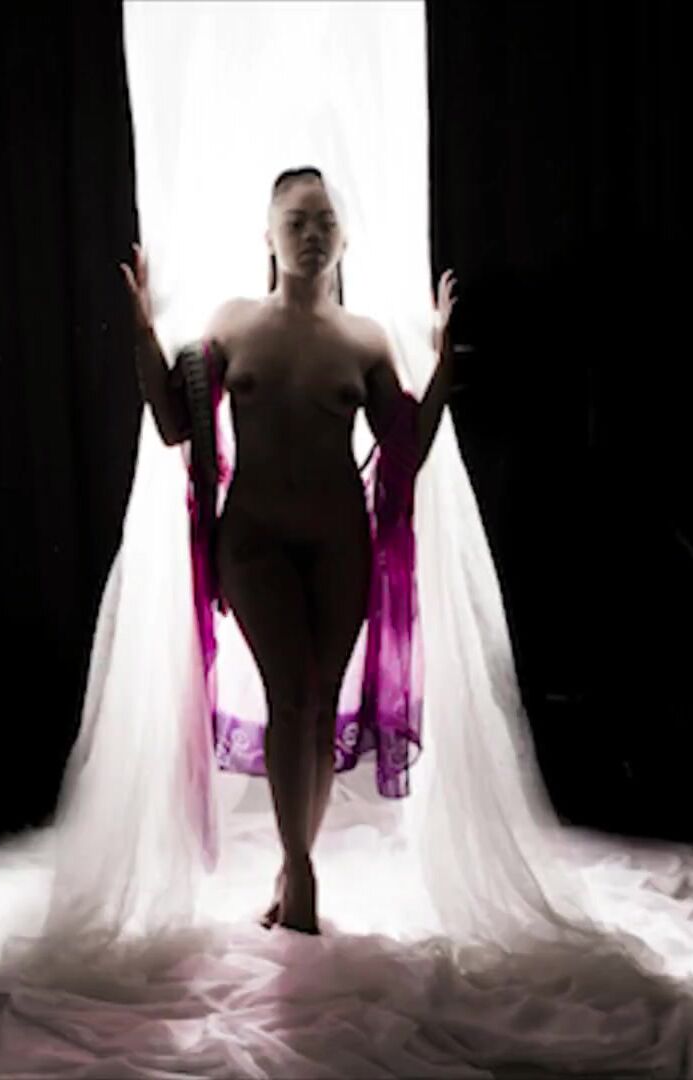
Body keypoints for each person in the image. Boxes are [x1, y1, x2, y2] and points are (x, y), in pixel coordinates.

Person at [120, 166, 458, 935]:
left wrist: (442, 366)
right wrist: (142, 331)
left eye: (325, 222)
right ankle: (300, 870)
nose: (312, 235)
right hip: (255, 540)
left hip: (340, 544)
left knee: (320, 702)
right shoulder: (234, 325)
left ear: (344, 239)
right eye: (297, 222)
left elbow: (404, 448)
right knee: (291, 694)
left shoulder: (364, 338)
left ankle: (293, 864)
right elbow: (174, 424)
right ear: (268, 237)